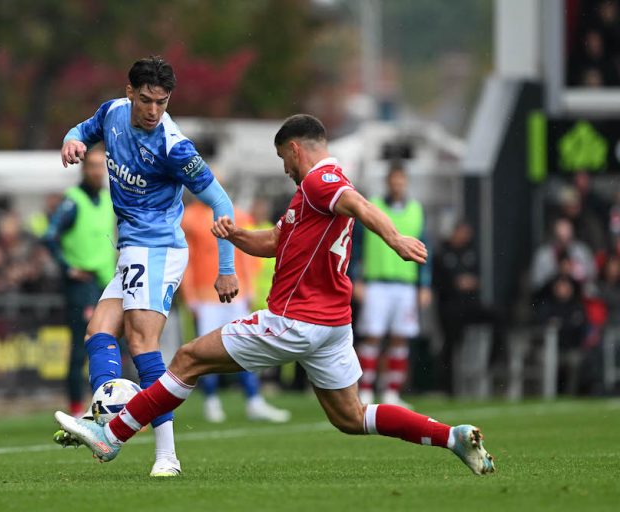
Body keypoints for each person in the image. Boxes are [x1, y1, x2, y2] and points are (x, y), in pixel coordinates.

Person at [54, 114, 495, 477]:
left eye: (284, 158)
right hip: (333, 326)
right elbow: (275, 242)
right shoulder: (312, 195)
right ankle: (450, 436)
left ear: (296, 149)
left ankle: (112, 435)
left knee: (187, 358)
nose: (285, 168)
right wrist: (236, 235)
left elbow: (359, 205)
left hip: (294, 320)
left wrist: (395, 238)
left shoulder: (322, 182)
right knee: (350, 417)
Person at [53, 56, 239, 477]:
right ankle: (102, 420)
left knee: (142, 345)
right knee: (98, 330)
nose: (154, 110)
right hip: (131, 248)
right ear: (129, 92)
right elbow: (84, 129)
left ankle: (167, 456)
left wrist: (226, 268)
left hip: (158, 249)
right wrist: (71, 140)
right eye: (146, 100)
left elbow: (221, 203)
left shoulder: (175, 147)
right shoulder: (113, 113)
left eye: (162, 101)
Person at [180, 197, 289, 423]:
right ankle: (211, 400)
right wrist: (189, 294)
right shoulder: (189, 217)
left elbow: (247, 254)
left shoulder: (238, 214)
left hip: (236, 293)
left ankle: (253, 399)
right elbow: (187, 258)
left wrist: (249, 288)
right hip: (205, 294)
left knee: (246, 346)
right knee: (205, 350)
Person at [43, 146, 117, 415]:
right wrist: (68, 268)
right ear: (84, 169)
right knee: (80, 346)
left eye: (102, 167)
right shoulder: (73, 200)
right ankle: (75, 406)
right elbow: (50, 235)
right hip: (81, 285)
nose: (98, 172)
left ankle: (112, 404)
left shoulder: (109, 199)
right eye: (94, 167)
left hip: (106, 283)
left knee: (112, 343)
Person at [352, 161, 431, 407]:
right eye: (394, 180)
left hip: (405, 284)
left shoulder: (416, 209)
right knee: (372, 336)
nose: (397, 185)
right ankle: (365, 389)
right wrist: (356, 278)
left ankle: (391, 392)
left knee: (400, 337)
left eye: (401, 180)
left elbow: (425, 247)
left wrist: (424, 284)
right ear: (388, 182)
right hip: (377, 282)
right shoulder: (372, 206)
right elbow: (357, 245)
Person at [432, 220, 505, 395]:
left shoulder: (470, 252)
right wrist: (455, 284)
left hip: (469, 304)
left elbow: (477, 277)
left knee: (498, 315)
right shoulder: (442, 254)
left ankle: (493, 361)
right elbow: (437, 284)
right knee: (451, 341)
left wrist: (470, 282)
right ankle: (448, 387)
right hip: (449, 306)